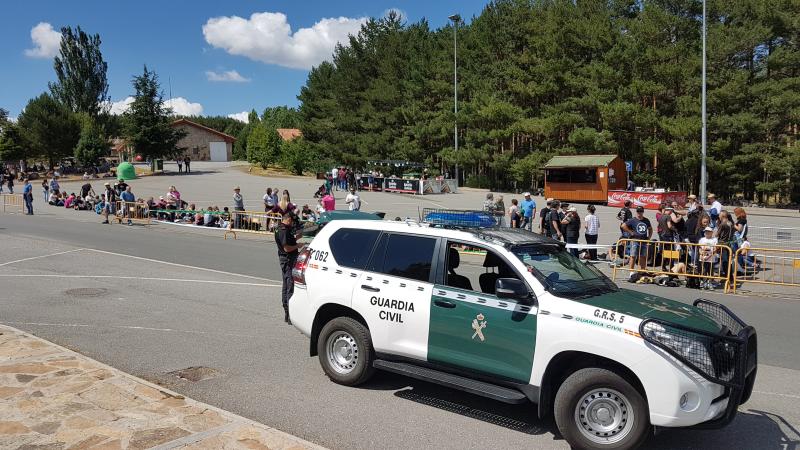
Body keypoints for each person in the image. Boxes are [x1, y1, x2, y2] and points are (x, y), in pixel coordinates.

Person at [276, 212, 303, 324]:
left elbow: (291, 238)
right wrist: (298, 246)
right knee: (289, 285)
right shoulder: (283, 230)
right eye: (291, 221)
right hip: (288, 259)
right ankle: (289, 314)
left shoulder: (282, 228)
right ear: (287, 219)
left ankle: (288, 312)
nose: (292, 223)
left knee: (286, 284)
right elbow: (287, 248)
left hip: (286, 259)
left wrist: (299, 236)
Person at [621, 206, 653, 278]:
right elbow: (623, 225)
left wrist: (649, 237)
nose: (639, 213)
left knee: (643, 256)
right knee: (633, 256)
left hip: (644, 241)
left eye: (641, 211)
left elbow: (650, 229)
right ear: (636, 212)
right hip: (635, 240)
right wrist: (630, 232)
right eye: (638, 211)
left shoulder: (646, 220)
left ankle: (642, 271)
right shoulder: (633, 220)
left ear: (643, 212)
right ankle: (631, 272)